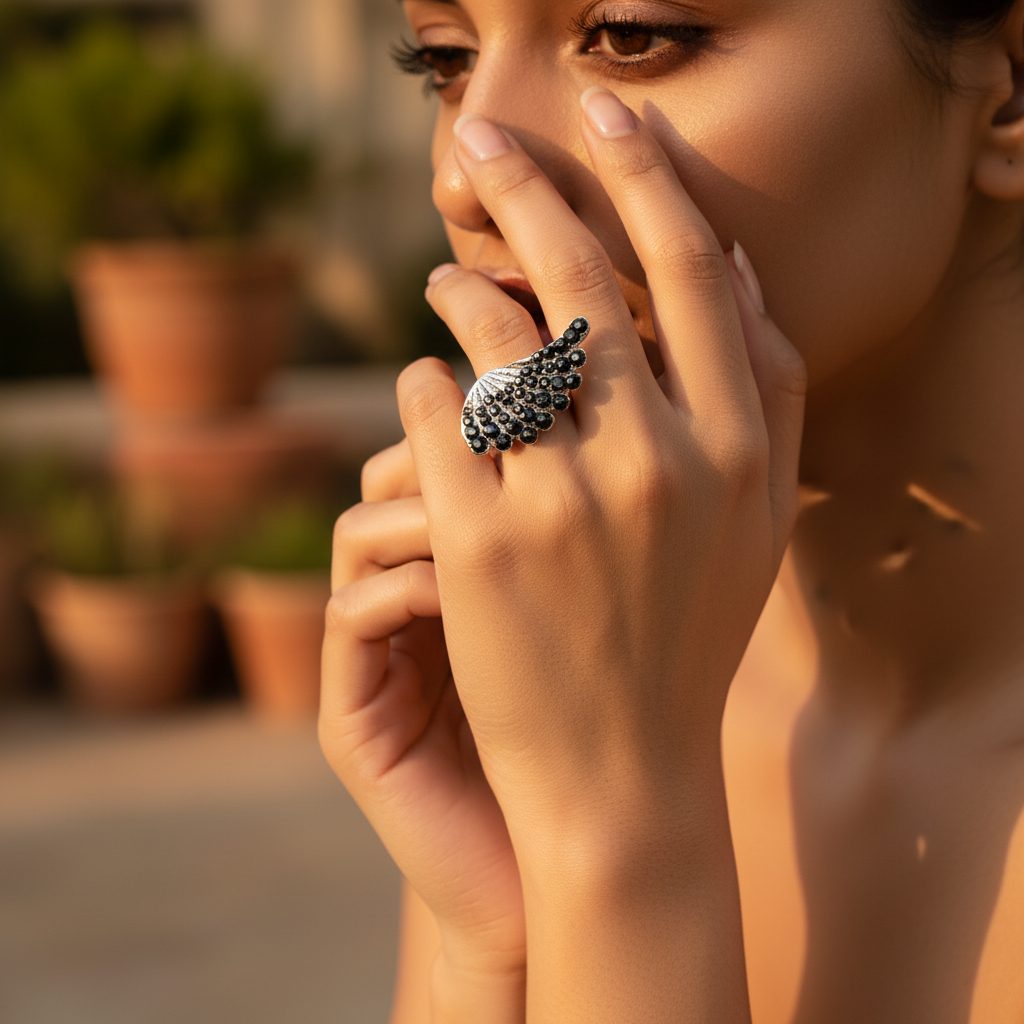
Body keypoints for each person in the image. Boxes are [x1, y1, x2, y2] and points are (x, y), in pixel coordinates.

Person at [319, 0, 1024, 1020]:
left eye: (633, 35)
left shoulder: (601, 729)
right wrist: (492, 952)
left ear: (1008, 84)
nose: (463, 175)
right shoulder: (564, 676)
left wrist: (620, 845)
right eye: (445, 57)